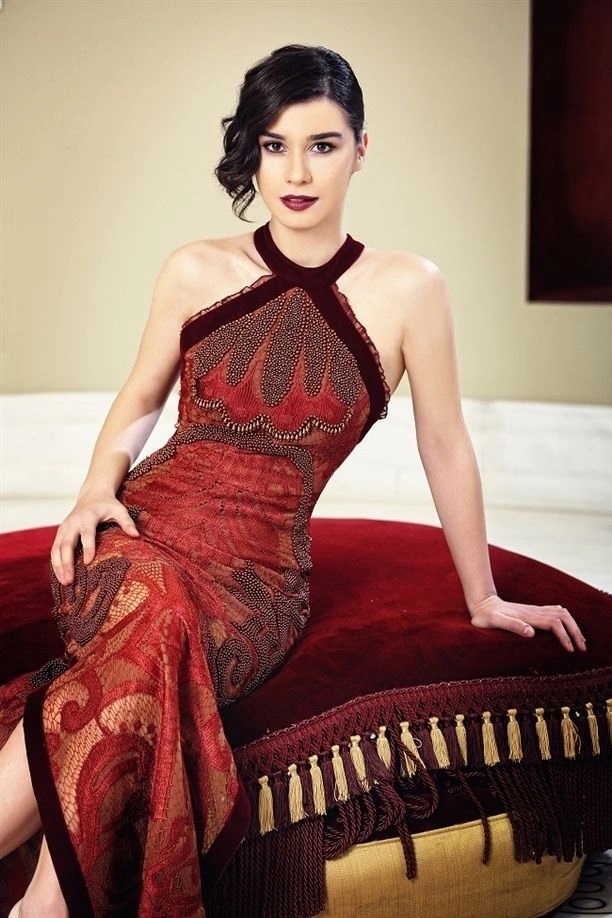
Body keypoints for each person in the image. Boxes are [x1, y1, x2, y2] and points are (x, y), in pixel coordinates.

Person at [0, 43, 586, 918]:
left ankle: (44, 902)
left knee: (149, 645)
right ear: (254, 152)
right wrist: (95, 490)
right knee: (155, 615)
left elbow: (444, 443)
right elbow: (141, 396)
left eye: (322, 145)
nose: (297, 172)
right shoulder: (194, 268)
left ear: (361, 149)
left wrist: (484, 597)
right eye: (275, 146)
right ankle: (44, 909)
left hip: (258, 584)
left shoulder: (409, 289)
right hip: (140, 536)